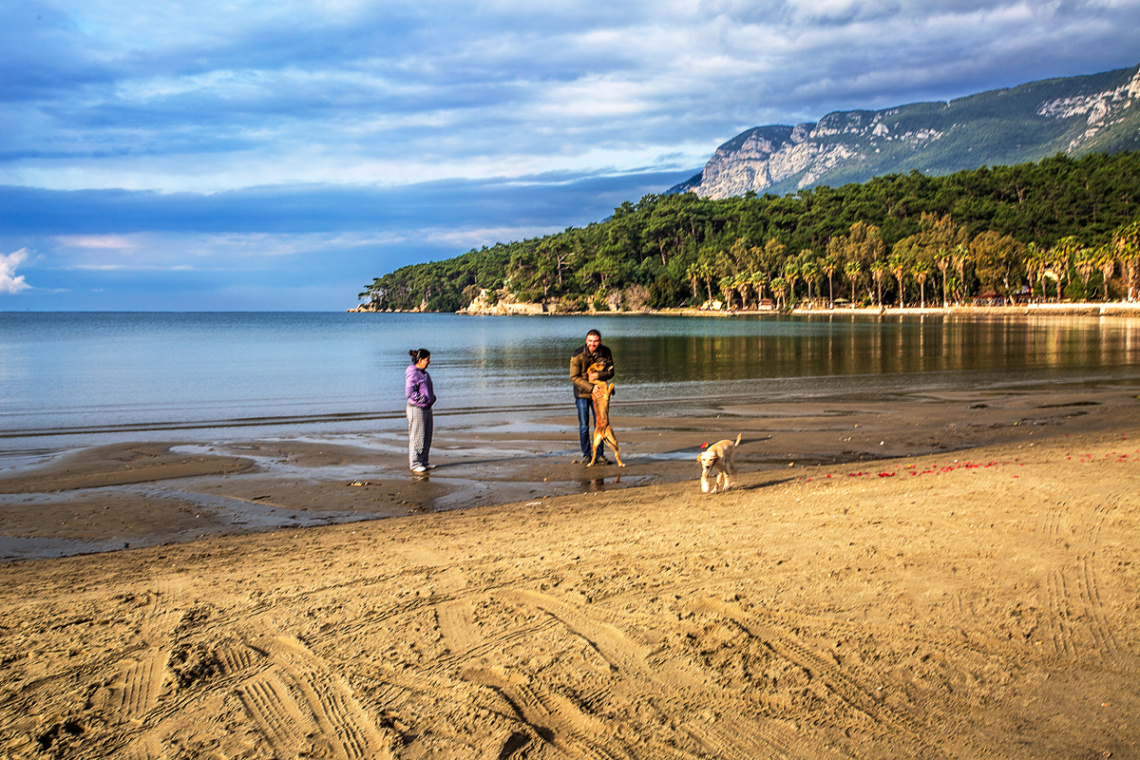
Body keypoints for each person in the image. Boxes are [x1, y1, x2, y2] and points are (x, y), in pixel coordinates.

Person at [570, 329, 614, 464]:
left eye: (595, 341)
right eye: (590, 341)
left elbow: (611, 372)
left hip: (599, 394)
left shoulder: (606, 352)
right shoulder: (577, 354)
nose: (592, 343)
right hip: (582, 393)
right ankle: (586, 455)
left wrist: (599, 376)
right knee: (584, 426)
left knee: (599, 424)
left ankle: (599, 455)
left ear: (600, 341)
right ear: (586, 341)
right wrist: (591, 387)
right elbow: (574, 377)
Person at [405, 348, 436, 473]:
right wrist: (423, 399)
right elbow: (410, 392)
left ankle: (424, 461)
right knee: (417, 437)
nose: (429, 362)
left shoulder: (424, 373)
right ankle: (415, 463)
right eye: (427, 360)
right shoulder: (413, 373)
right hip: (416, 409)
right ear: (420, 359)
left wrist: (432, 398)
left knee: (427, 436)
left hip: (427, 408)